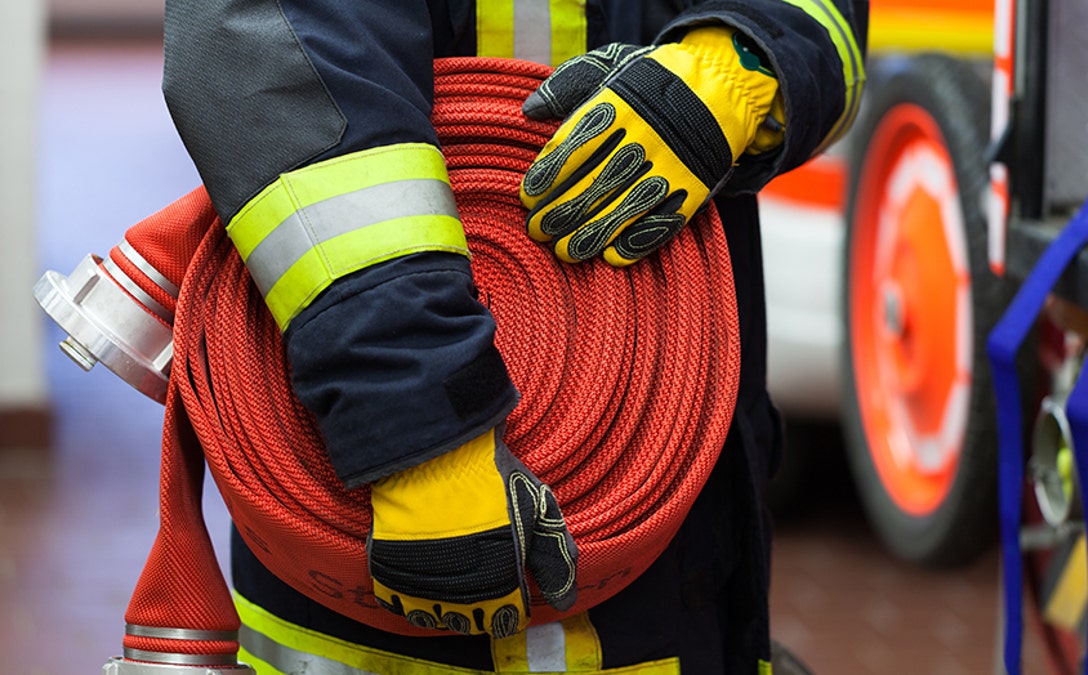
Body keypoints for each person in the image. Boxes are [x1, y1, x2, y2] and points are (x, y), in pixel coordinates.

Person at [160, 1, 867, 672]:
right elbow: (273, 55)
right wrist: (418, 425)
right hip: (372, 478)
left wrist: (739, 58)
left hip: (678, 553)